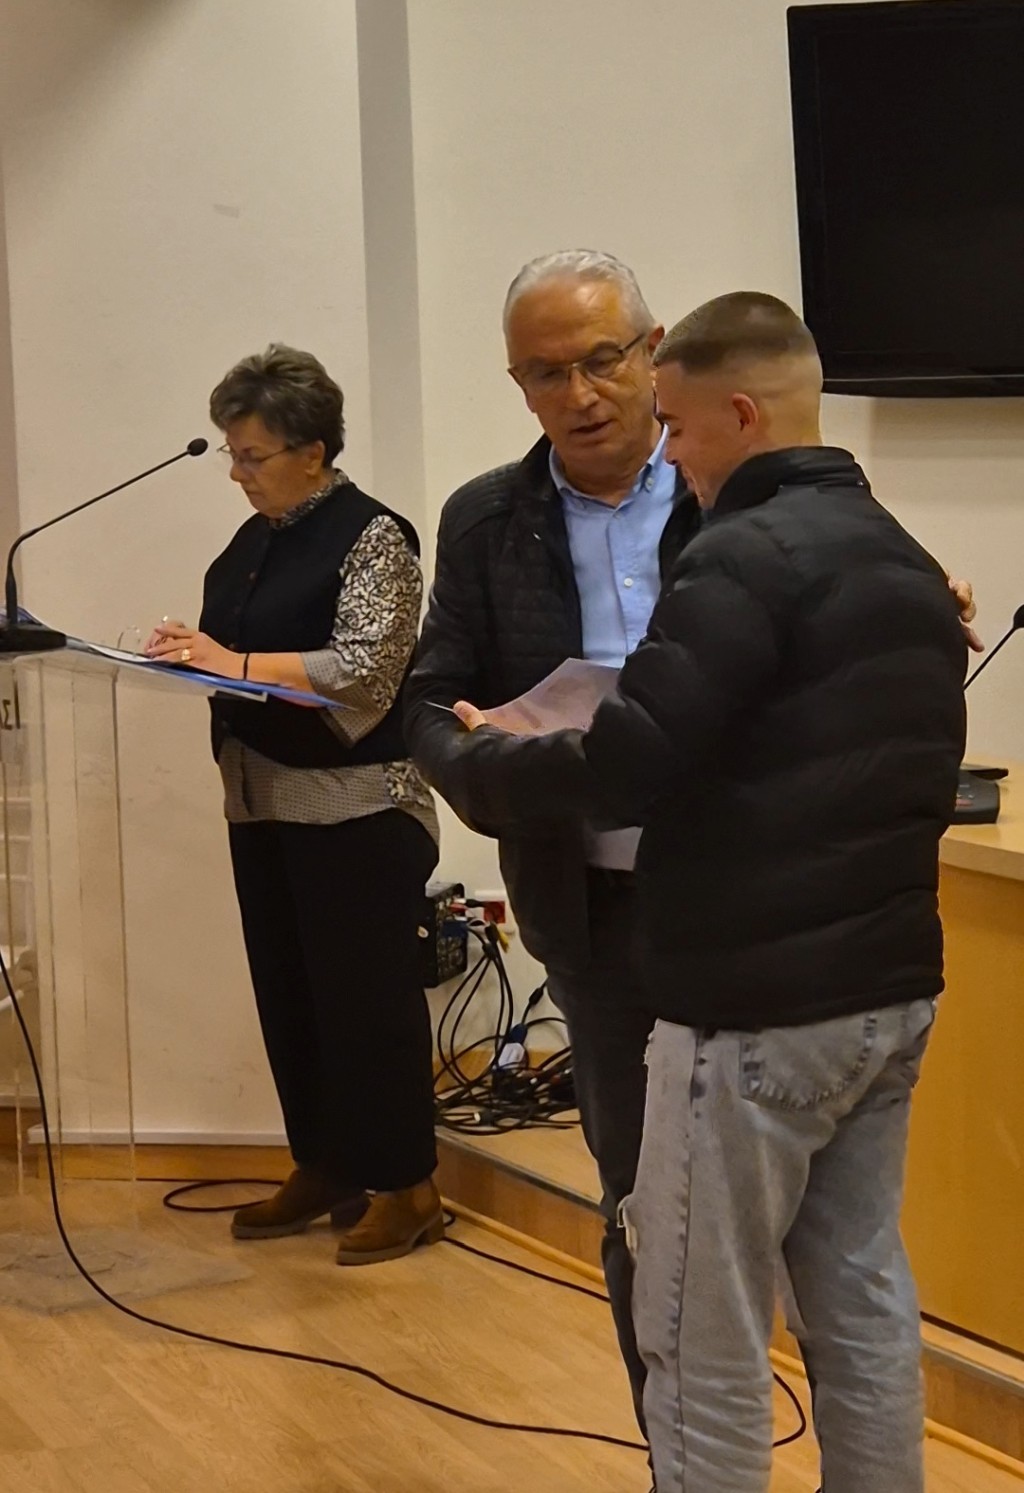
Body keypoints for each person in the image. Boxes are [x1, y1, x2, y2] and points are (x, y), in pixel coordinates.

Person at [405, 251, 979, 1433]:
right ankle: (671, 1437)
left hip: (748, 912)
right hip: (596, 906)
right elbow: (429, 697)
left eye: (603, 361)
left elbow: (824, 628)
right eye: (545, 373)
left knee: (787, 1266)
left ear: (655, 352)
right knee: (645, 1218)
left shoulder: (735, 491)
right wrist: (473, 766)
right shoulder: (485, 518)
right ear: (517, 386)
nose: (581, 394)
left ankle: (708, 1439)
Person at [146, 344, 443, 1265]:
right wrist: (183, 650)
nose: (237, 472)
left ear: (312, 451)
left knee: (367, 1004)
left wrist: (229, 661)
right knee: (293, 998)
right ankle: (327, 1163)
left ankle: (408, 1185)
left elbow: (366, 669)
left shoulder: (374, 535)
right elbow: (231, 653)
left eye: (252, 455)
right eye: (232, 454)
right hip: (260, 801)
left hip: (356, 809)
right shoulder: (254, 541)